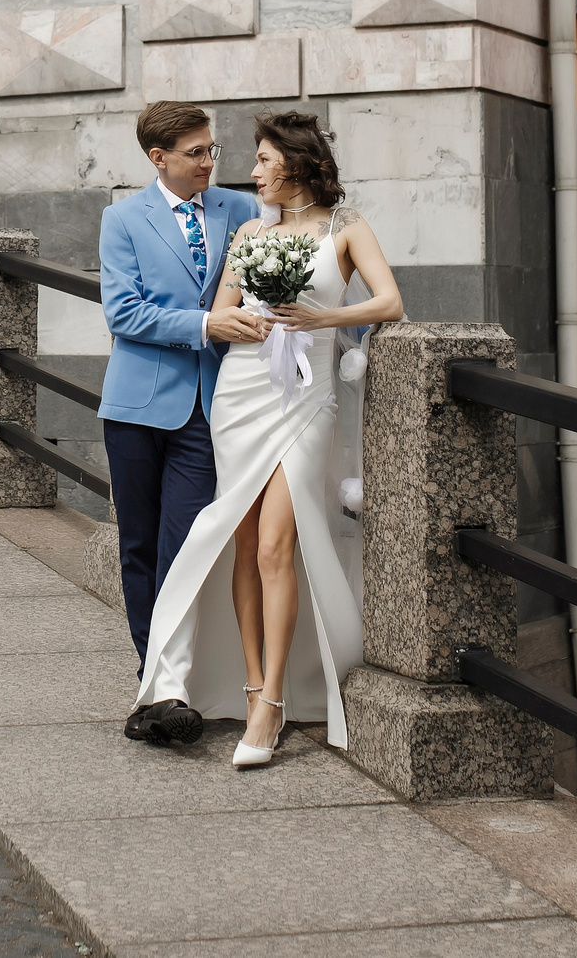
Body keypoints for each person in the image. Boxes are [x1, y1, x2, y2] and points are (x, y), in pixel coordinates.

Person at [135, 111, 405, 767]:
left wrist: (324, 317)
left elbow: (389, 302)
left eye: (261, 160)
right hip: (243, 392)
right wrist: (246, 321)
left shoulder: (346, 228)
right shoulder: (252, 233)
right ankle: (252, 679)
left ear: (294, 162)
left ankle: (274, 699)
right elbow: (224, 309)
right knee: (246, 542)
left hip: (306, 398)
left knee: (279, 543)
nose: (251, 172)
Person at [98, 102, 268, 748]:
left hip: (210, 409)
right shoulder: (122, 220)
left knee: (187, 549)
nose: (208, 163)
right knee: (139, 548)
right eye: (195, 153)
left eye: (211, 151)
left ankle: (172, 684)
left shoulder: (240, 212)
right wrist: (204, 325)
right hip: (138, 407)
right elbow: (125, 314)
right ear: (158, 158)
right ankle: (158, 686)